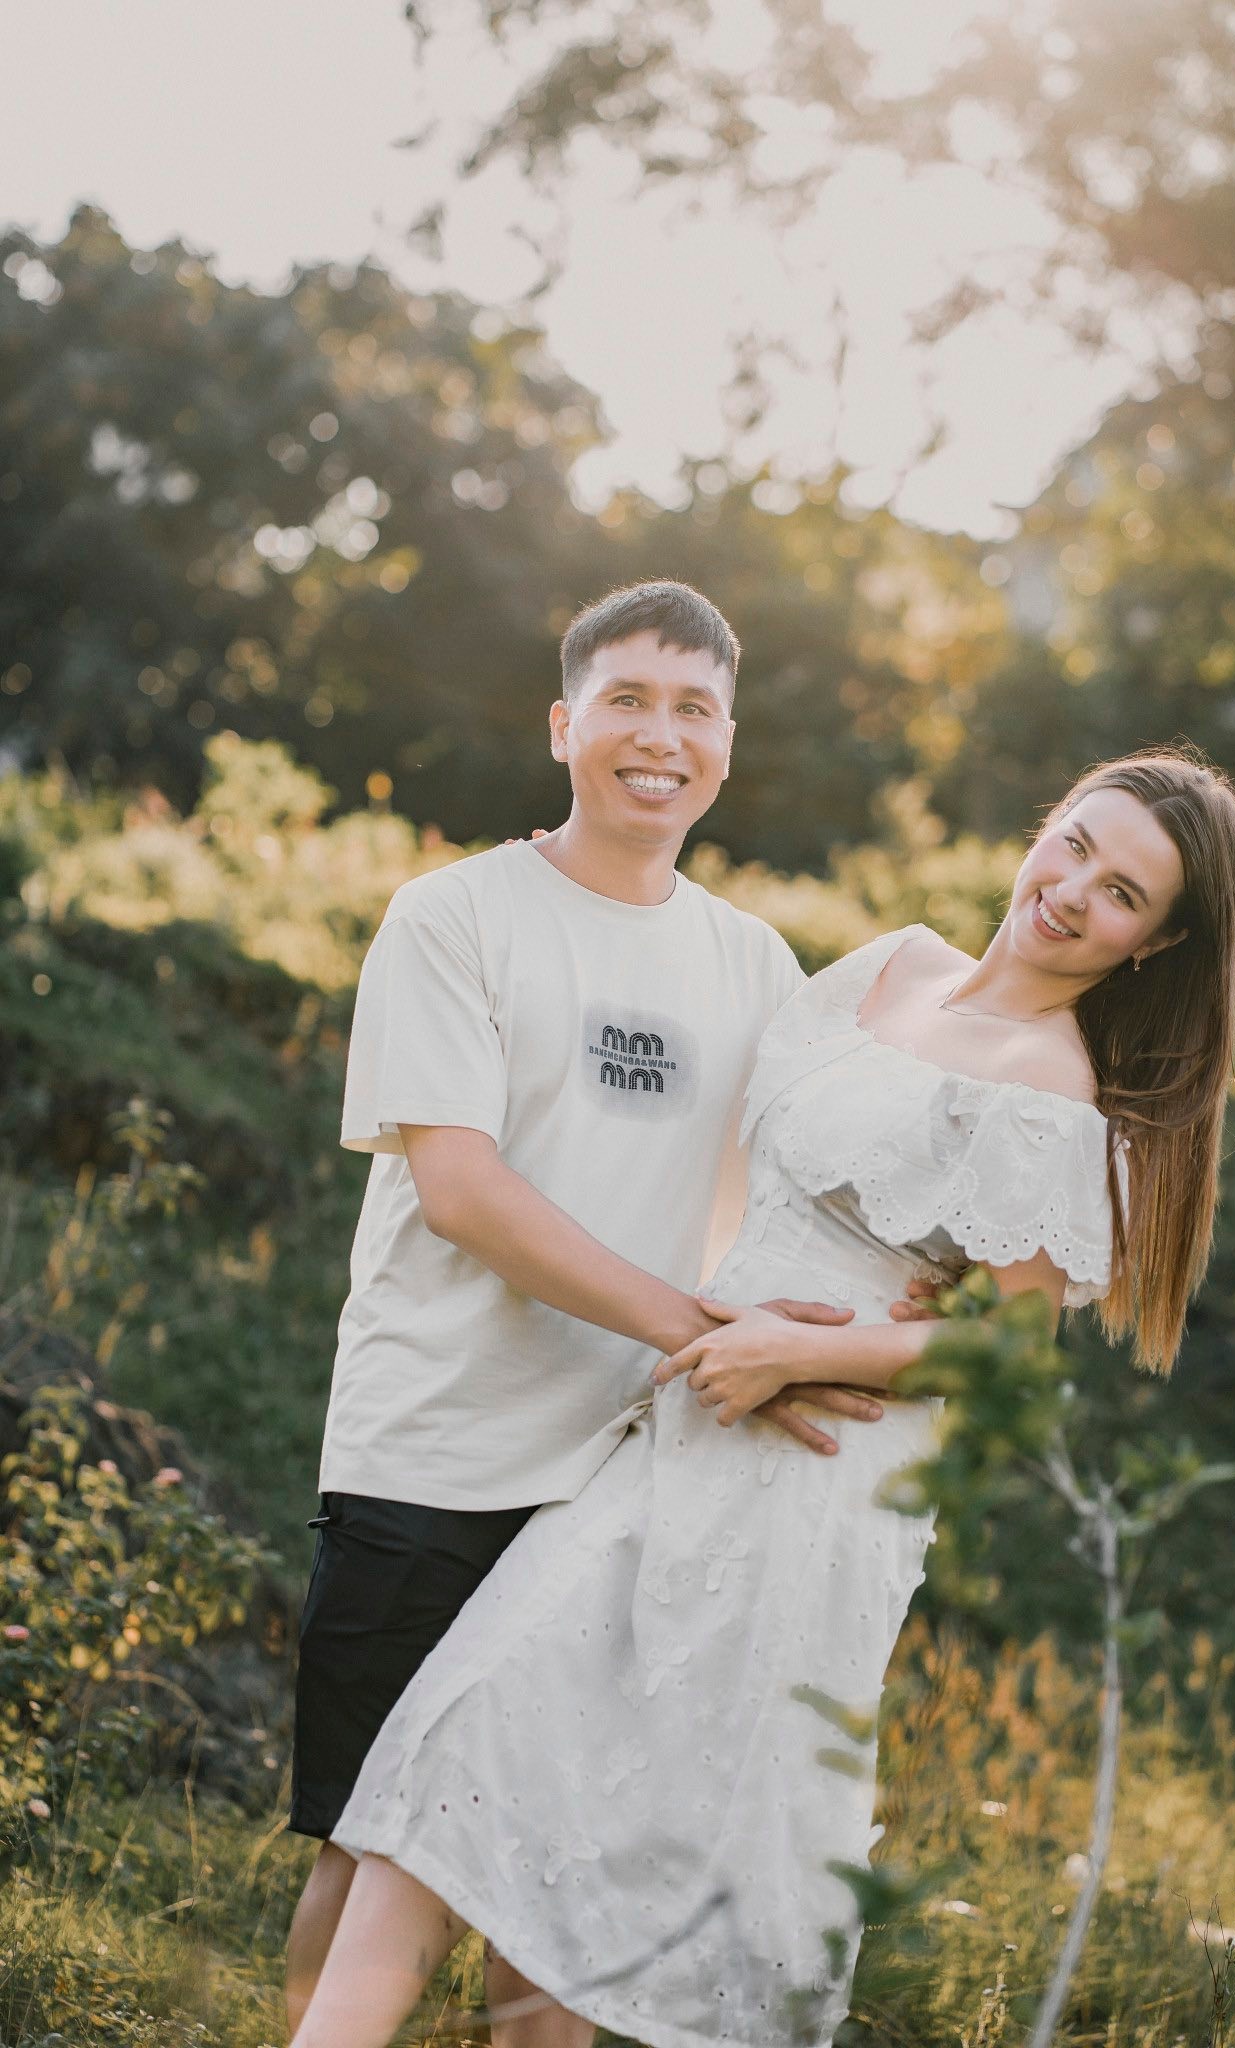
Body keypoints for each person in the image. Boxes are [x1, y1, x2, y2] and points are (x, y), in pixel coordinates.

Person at [288, 749, 1235, 2048]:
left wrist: (799, 1353)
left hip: (814, 1474)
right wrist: (706, 1316)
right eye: (1075, 845)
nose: (1075, 892)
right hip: (677, 1412)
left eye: (1124, 893)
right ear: (1045, 829)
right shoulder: (888, 966)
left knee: (584, 1845)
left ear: (1158, 942)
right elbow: (739, 1154)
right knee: (467, 1763)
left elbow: (1008, 1355)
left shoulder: (1050, 1090)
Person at [284, 579, 934, 2040]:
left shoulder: (755, 964)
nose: (661, 735)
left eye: (695, 708)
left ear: (726, 745)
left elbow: (802, 1188)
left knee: (560, 1867)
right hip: (434, 1450)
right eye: (628, 700)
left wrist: (879, 1309)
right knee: (369, 1836)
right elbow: (462, 1190)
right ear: (563, 724)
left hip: (634, 1481)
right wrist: (704, 1334)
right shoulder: (454, 914)